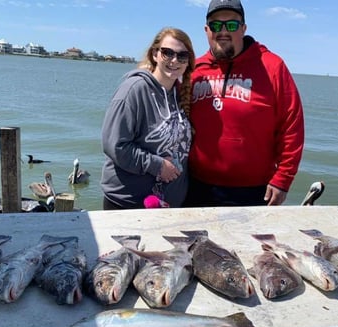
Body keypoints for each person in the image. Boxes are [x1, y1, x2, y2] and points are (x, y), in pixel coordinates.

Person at [183, 0, 305, 207]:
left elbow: (291, 125)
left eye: (231, 25)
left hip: (254, 191)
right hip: (196, 185)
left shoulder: (272, 67)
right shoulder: (194, 69)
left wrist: (283, 179)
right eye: (215, 25)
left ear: (243, 28)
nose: (223, 31)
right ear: (206, 30)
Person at [100, 27, 196, 210]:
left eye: (182, 56)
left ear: (188, 62)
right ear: (155, 54)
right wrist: (157, 165)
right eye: (168, 53)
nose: (174, 60)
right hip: (129, 204)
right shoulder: (133, 90)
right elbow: (115, 145)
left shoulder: (180, 94)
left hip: (170, 205)